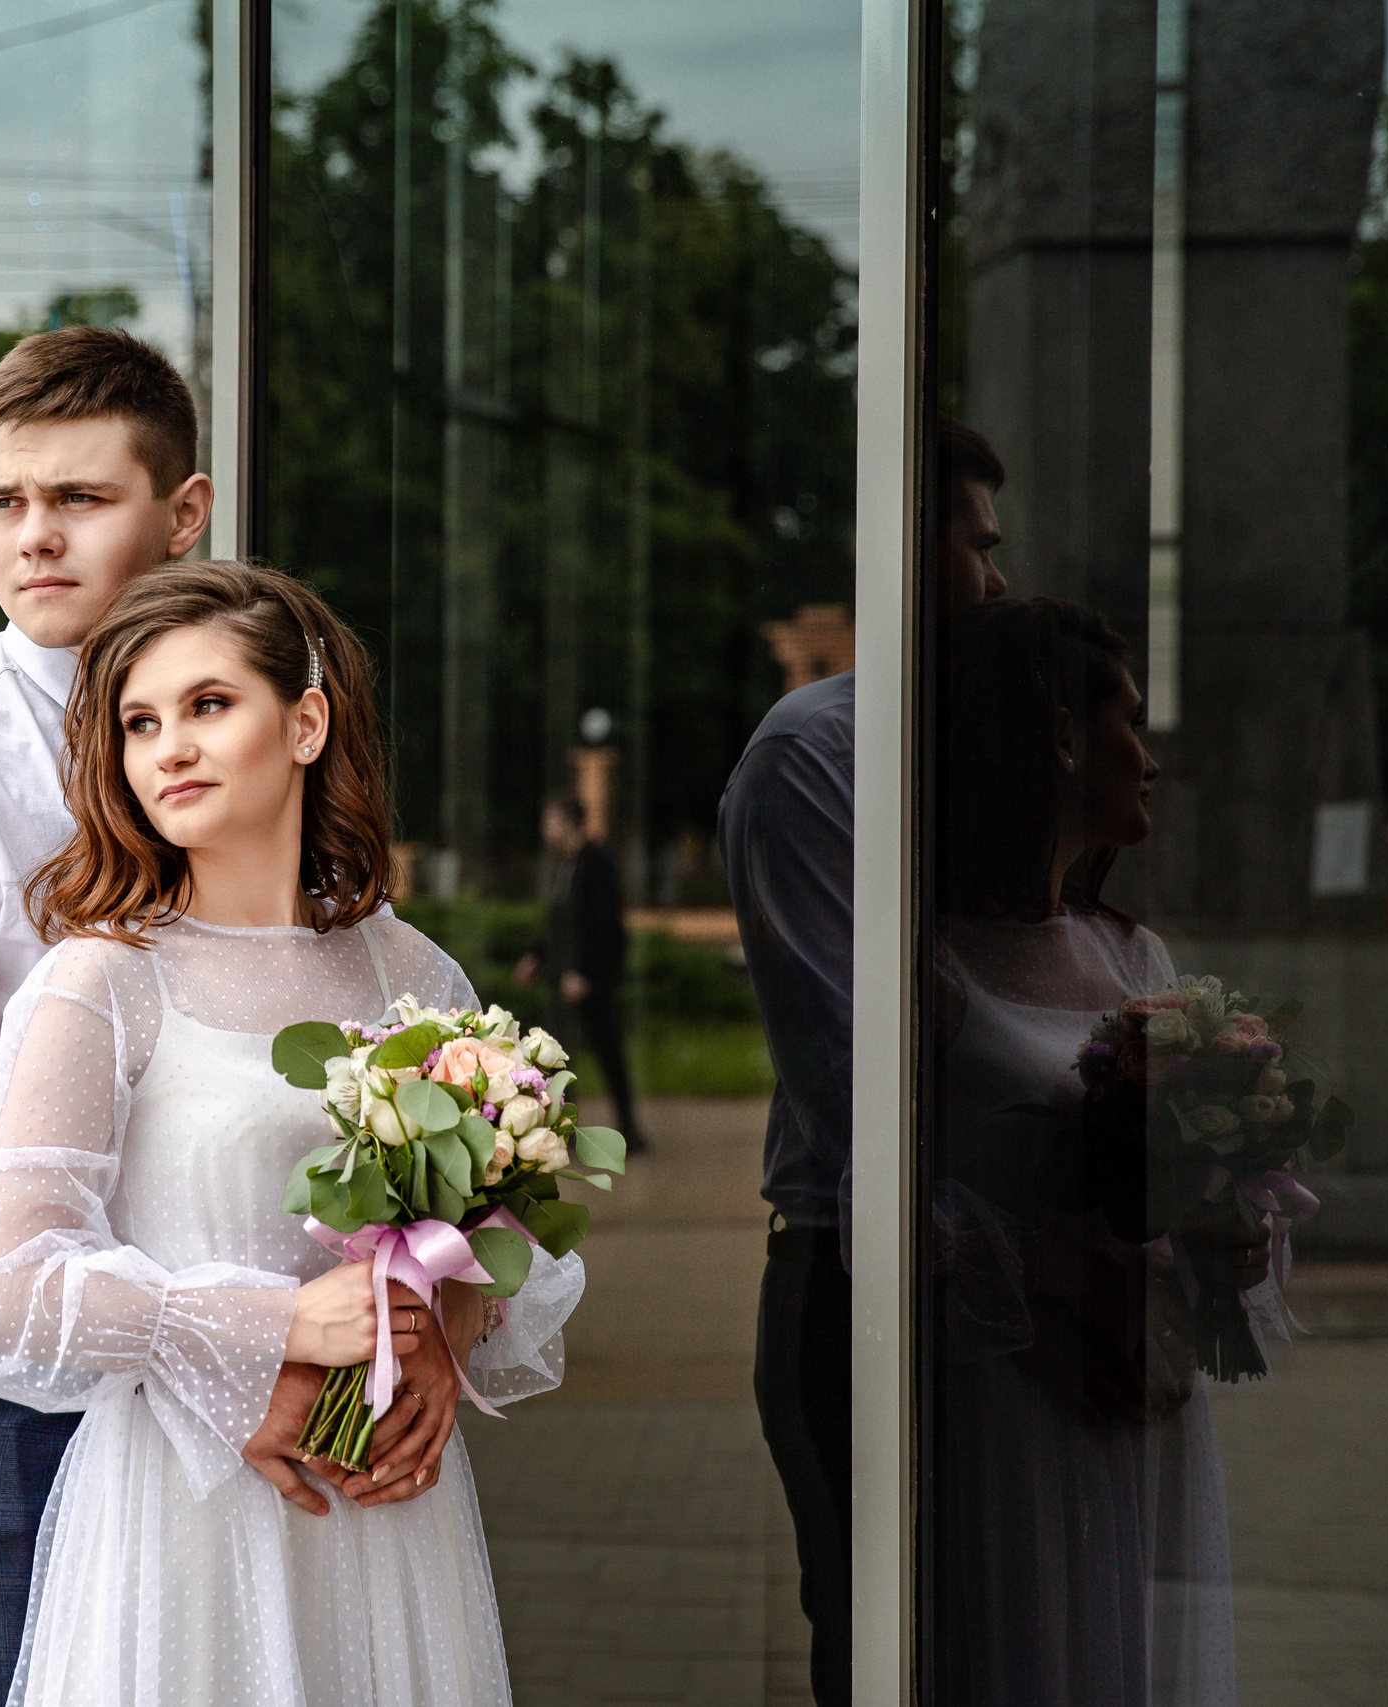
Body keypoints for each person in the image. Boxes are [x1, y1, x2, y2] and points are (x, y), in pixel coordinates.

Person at [0, 330, 479, 1707]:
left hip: (302, 1343)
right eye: (4, 501)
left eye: (79, 497)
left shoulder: (365, 909)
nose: (33, 537)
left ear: (186, 511)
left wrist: (407, 1330)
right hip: (14, 1377)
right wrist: (214, 1338)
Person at [0, 561, 584, 1707]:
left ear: (304, 722)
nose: (168, 749)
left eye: (207, 705)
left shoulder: (409, 968)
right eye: (139, 722)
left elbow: (501, 1229)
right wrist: (273, 1328)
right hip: (186, 1517)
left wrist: (441, 1329)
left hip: (388, 1515)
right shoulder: (99, 980)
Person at [715, 416, 1009, 1707]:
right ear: (910, 546)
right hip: (859, 1265)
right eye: (975, 542)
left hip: (982, 1258)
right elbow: (843, 1046)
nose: (993, 576)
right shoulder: (814, 753)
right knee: (879, 1629)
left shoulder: (979, 745)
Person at [928, 596, 1243, 1705]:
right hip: (1018, 1402)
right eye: (1130, 723)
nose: (1150, 762)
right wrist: (1048, 1281)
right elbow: (882, 1196)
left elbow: (1218, 1199)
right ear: (1061, 735)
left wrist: (1228, 1223)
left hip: (1143, 1386)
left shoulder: (1132, 950)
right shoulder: (934, 970)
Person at [514, 794, 644, 1152]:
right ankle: (563, 1129)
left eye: (550, 819)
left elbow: (604, 926)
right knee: (557, 1055)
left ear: (568, 821)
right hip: (565, 978)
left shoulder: (596, 863)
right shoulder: (567, 865)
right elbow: (562, 923)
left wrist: (585, 974)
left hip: (588, 982)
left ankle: (629, 1131)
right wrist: (538, 957)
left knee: (606, 1050)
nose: (545, 828)